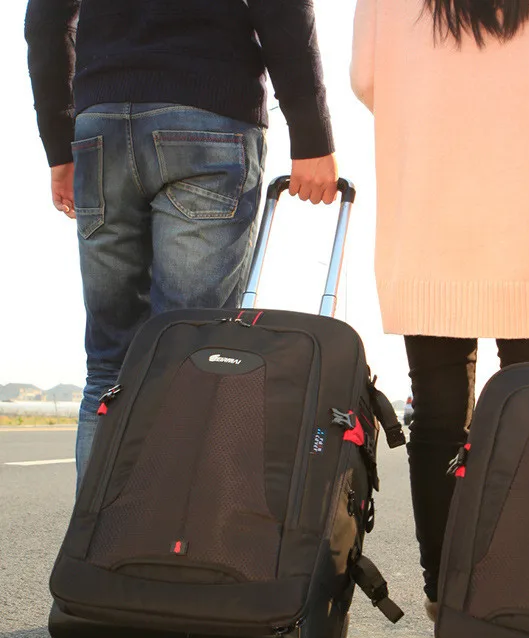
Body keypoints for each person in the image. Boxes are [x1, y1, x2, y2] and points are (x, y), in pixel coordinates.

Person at [351, 0, 529, 619]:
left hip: (425, 217)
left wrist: (436, 116)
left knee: (437, 421)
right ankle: (523, 601)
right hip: (527, 221)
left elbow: (366, 76)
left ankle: (447, 600)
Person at [25, 0, 339, 484]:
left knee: (109, 364)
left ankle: (97, 531)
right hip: (208, 115)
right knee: (192, 357)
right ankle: (168, 529)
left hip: (101, 126)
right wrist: (312, 134)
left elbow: (46, 19)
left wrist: (59, 145)